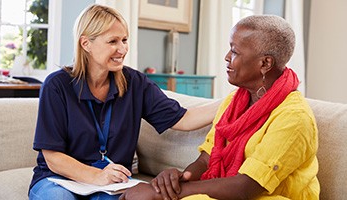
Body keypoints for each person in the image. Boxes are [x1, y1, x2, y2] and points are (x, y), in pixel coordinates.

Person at [28, 4, 220, 200]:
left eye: (125, 40)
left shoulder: (135, 83)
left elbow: (184, 119)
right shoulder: (57, 85)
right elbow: (52, 157)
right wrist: (97, 176)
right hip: (59, 179)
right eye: (113, 41)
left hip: (111, 184)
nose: (122, 49)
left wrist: (233, 100)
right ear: (86, 43)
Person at [119, 15, 319, 200]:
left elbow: (246, 186)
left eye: (234, 51)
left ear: (265, 63)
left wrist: (162, 194)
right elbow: (206, 160)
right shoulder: (234, 101)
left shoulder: (294, 117)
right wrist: (180, 179)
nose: (226, 57)